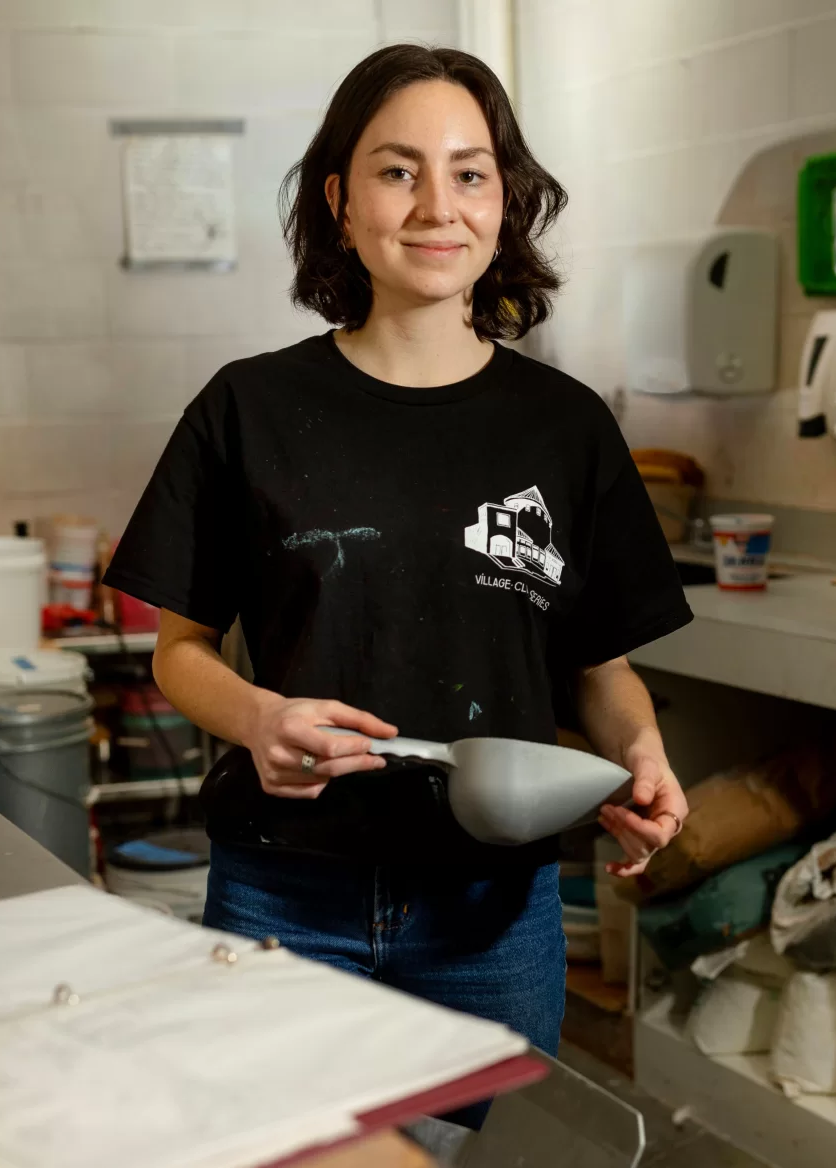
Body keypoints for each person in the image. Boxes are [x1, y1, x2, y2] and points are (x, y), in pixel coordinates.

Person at [103, 44, 693, 1070]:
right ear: (339, 200)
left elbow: (600, 669)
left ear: (502, 201)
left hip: (492, 916)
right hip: (282, 899)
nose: (436, 204)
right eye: (396, 169)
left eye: (468, 172)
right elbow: (178, 649)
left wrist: (639, 752)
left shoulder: (564, 428)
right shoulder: (248, 409)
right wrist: (258, 717)